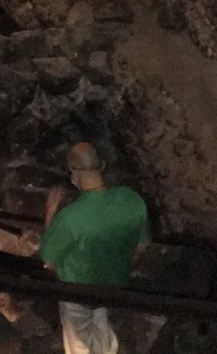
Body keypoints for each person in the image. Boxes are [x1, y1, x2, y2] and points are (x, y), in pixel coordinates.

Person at [39, 142, 150, 354]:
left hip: (77, 291)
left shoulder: (70, 218)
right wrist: (119, 267)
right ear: (103, 165)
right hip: (112, 285)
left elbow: (48, 261)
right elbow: (143, 244)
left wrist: (50, 212)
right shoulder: (131, 200)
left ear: (74, 173)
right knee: (101, 324)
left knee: (79, 342)